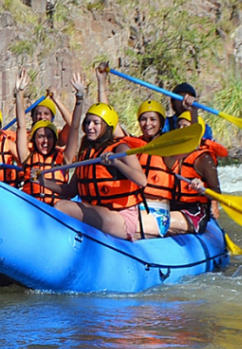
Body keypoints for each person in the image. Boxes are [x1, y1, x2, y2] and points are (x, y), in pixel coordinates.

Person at [34, 103, 155, 241]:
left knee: (62, 207)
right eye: (88, 122)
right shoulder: (86, 153)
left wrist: (116, 163)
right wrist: (43, 182)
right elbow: (70, 191)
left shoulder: (120, 149)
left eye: (95, 123)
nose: (89, 127)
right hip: (96, 212)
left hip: (121, 218)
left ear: (107, 126)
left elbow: (142, 180)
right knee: (60, 205)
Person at [15, 70, 84, 205]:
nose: (45, 141)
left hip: (55, 210)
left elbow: (74, 128)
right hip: (32, 208)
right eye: (40, 137)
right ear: (34, 139)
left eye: (49, 137)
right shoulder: (27, 157)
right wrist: (19, 93)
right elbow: (21, 126)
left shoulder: (64, 158)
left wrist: (80, 97)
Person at [169, 111, 222, 234]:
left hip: (195, 212)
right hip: (173, 208)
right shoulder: (172, 156)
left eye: (185, 126)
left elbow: (217, 192)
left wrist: (202, 189)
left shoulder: (204, 159)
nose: (181, 129)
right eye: (179, 126)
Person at [136, 99, 177, 238]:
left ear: (161, 123)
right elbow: (110, 123)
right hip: (134, 208)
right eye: (143, 119)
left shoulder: (168, 148)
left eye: (153, 119)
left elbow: (192, 142)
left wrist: (192, 111)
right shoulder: (134, 146)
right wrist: (101, 84)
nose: (147, 123)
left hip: (157, 214)